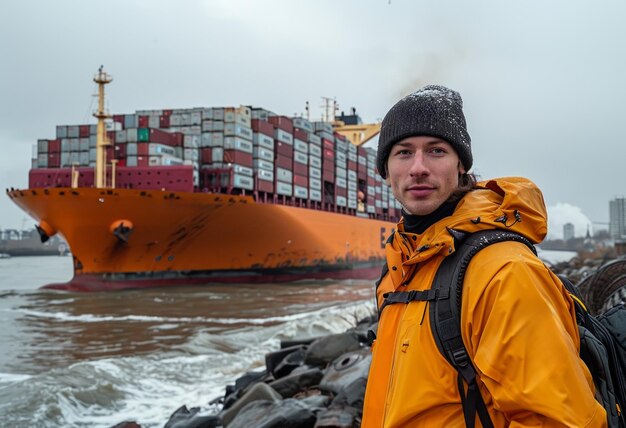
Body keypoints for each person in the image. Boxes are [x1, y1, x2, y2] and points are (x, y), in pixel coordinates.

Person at [361, 85, 607, 427]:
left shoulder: (505, 271)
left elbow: (559, 419)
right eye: (403, 152)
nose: (418, 167)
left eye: (435, 151)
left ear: (460, 165)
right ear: (385, 169)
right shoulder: (402, 266)